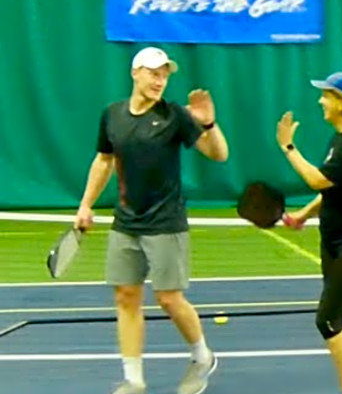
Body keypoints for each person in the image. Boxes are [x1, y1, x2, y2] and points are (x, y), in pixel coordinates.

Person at [74, 47, 229, 394]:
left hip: (166, 223)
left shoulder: (174, 115)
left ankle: (203, 356)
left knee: (169, 299)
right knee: (126, 297)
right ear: (135, 73)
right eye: (154, 73)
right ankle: (134, 380)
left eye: (164, 75)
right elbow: (103, 160)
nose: (160, 80)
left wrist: (208, 123)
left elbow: (219, 154)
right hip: (125, 223)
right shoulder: (112, 115)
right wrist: (85, 205)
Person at [278, 72, 342, 394]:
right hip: (334, 240)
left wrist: (288, 147)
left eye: (326, 95)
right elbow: (331, 191)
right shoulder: (339, 139)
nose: (321, 100)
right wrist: (303, 216)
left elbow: (318, 180)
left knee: (326, 320)